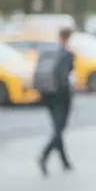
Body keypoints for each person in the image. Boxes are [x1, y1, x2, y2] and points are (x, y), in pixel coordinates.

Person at [36, 27, 76, 176]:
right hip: (62, 94)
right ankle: (44, 155)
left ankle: (65, 161)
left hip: (48, 93)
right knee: (60, 127)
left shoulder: (49, 52)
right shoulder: (67, 54)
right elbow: (69, 73)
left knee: (57, 127)